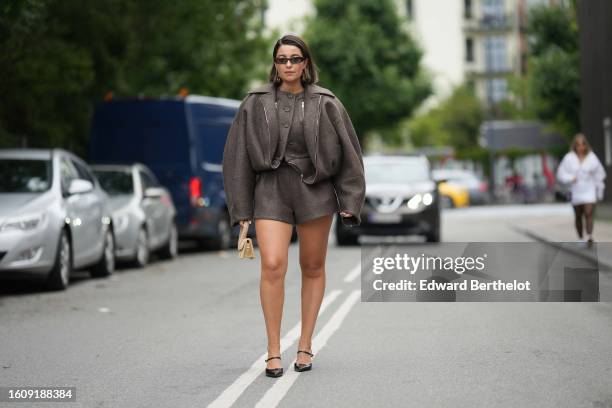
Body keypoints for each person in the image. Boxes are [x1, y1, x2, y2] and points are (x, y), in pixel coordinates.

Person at [222, 34, 366, 378]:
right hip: (270, 189)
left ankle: (304, 343)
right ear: (275, 64)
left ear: (306, 64)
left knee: (313, 265)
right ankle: (273, 351)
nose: (288, 65)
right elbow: (237, 157)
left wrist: (349, 200)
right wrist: (241, 210)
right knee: (272, 264)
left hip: (315, 190)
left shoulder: (327, 102)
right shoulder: (254, 102)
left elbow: (350, 153)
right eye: (281, 59)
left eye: (294, 58)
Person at [556, 133, 607, 247]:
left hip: (589, 189)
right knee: (578, 215)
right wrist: (570, 178)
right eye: (578, 145)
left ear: (586, 145)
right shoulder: (569, 158)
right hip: (576, 191)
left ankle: (589, 236)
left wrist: (597, 184)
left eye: (583, 144)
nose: (580, 147)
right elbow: (560, 173)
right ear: (574, 146)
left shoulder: (592, 157)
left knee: (589, 213)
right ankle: (580, 238)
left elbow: (600, 172)